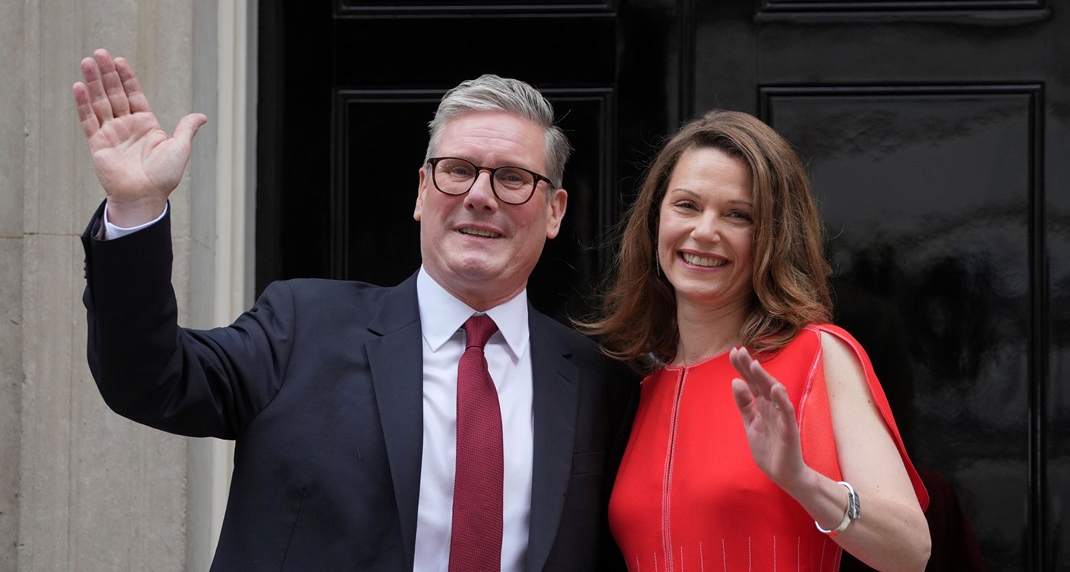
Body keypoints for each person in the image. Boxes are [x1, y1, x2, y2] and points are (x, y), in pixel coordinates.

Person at [72, 48, 636, 571]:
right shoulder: (302, 326)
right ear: (422, 192)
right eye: (458, 170)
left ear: (555, 210)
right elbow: (148, 380)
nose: (480, 195)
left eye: (513, 177)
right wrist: (137, 207)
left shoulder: (596, 383)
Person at [579, 110, 931, 571]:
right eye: (686, 205)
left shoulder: (816, 355)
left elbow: (910, 550)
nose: (704, 232)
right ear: (654, 219)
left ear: (773, 236)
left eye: (738, 215)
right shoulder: (639, 392)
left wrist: (803, 482)